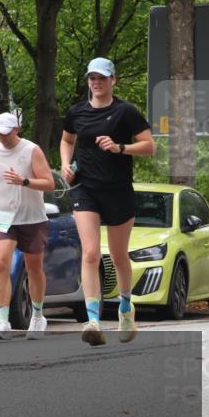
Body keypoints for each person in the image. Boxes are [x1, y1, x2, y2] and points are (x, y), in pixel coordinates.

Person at [61, 58, 156, 346]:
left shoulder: (125, 112)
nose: (96, 83)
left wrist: (119, 147)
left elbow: (150, 146)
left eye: (101, 78)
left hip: (117, 191)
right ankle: (93, 320)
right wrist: (65, 164)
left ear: (113, 80)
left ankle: (126, 308)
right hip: (85, 189)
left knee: (118, 256)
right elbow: (67, 140)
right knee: (90, 254)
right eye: (92, 78)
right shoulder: (77, 112)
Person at [0, 113, 54, 339]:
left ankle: (38, 316)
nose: (1, 137)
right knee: (0, 263)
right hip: (1, 215)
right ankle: (3, 322)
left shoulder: (32, 150)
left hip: (31, 217)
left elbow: (48, 183)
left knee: (34, 268)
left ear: (17, 130)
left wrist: (24, 182)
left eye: (6, 132)